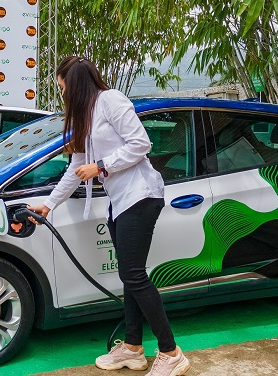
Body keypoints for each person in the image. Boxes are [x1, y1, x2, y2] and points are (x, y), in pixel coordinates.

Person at [27, 56, 190, 375]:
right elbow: (76, 169)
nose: (63, 95)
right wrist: (49, 204)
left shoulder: (111, 100)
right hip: (120, 201)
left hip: (141, 195)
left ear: (74, 84)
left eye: (63, 88)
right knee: (131, 275)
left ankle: (171, 353)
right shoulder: (85, 118)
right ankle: (132, 348)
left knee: (134, 276)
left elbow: (140, 144)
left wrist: (101, 166)